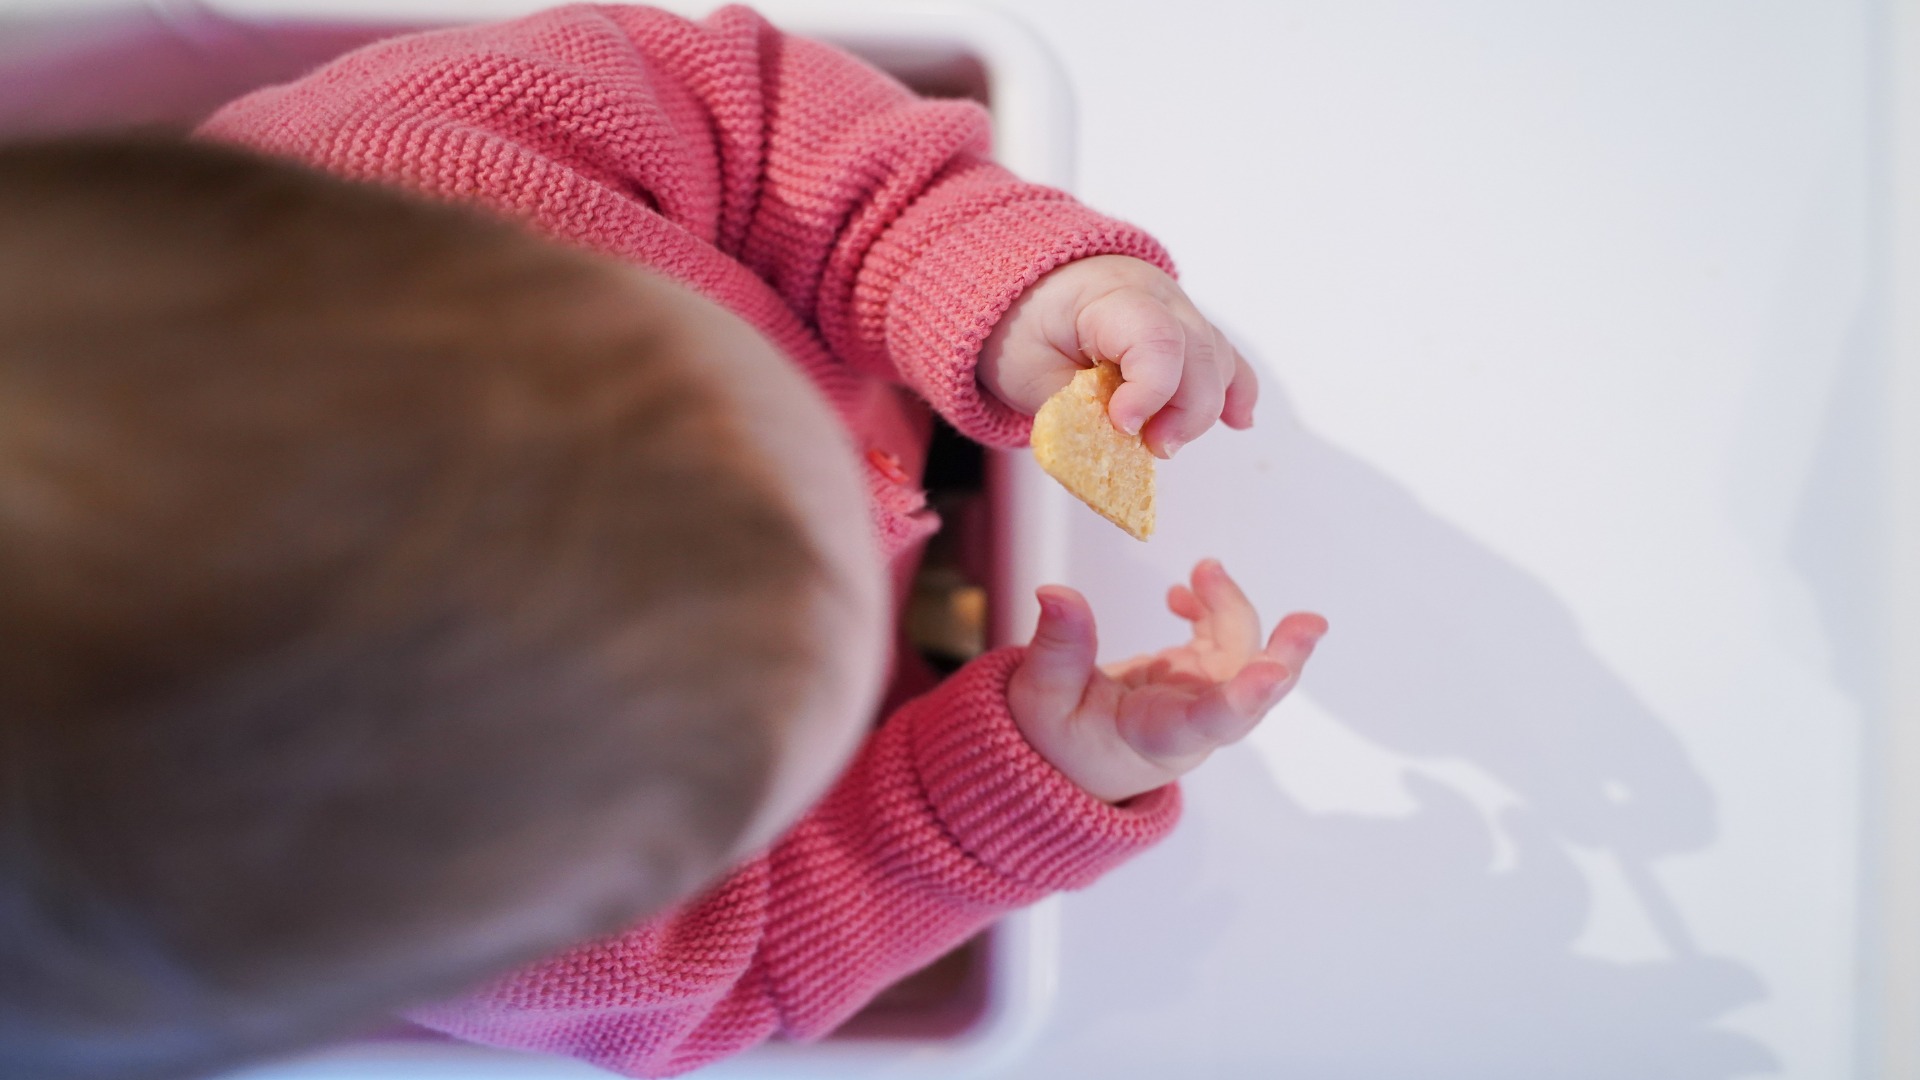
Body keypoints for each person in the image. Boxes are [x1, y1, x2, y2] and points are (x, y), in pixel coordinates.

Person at [0, 5, 1325, 1078]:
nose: (861, 531)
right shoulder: (533, 951)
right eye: (769, 750)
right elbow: (764, 954)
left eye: (757, 427)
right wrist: (1030, 774)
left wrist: (987, 282)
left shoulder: (454, 146)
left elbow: (751, 133)